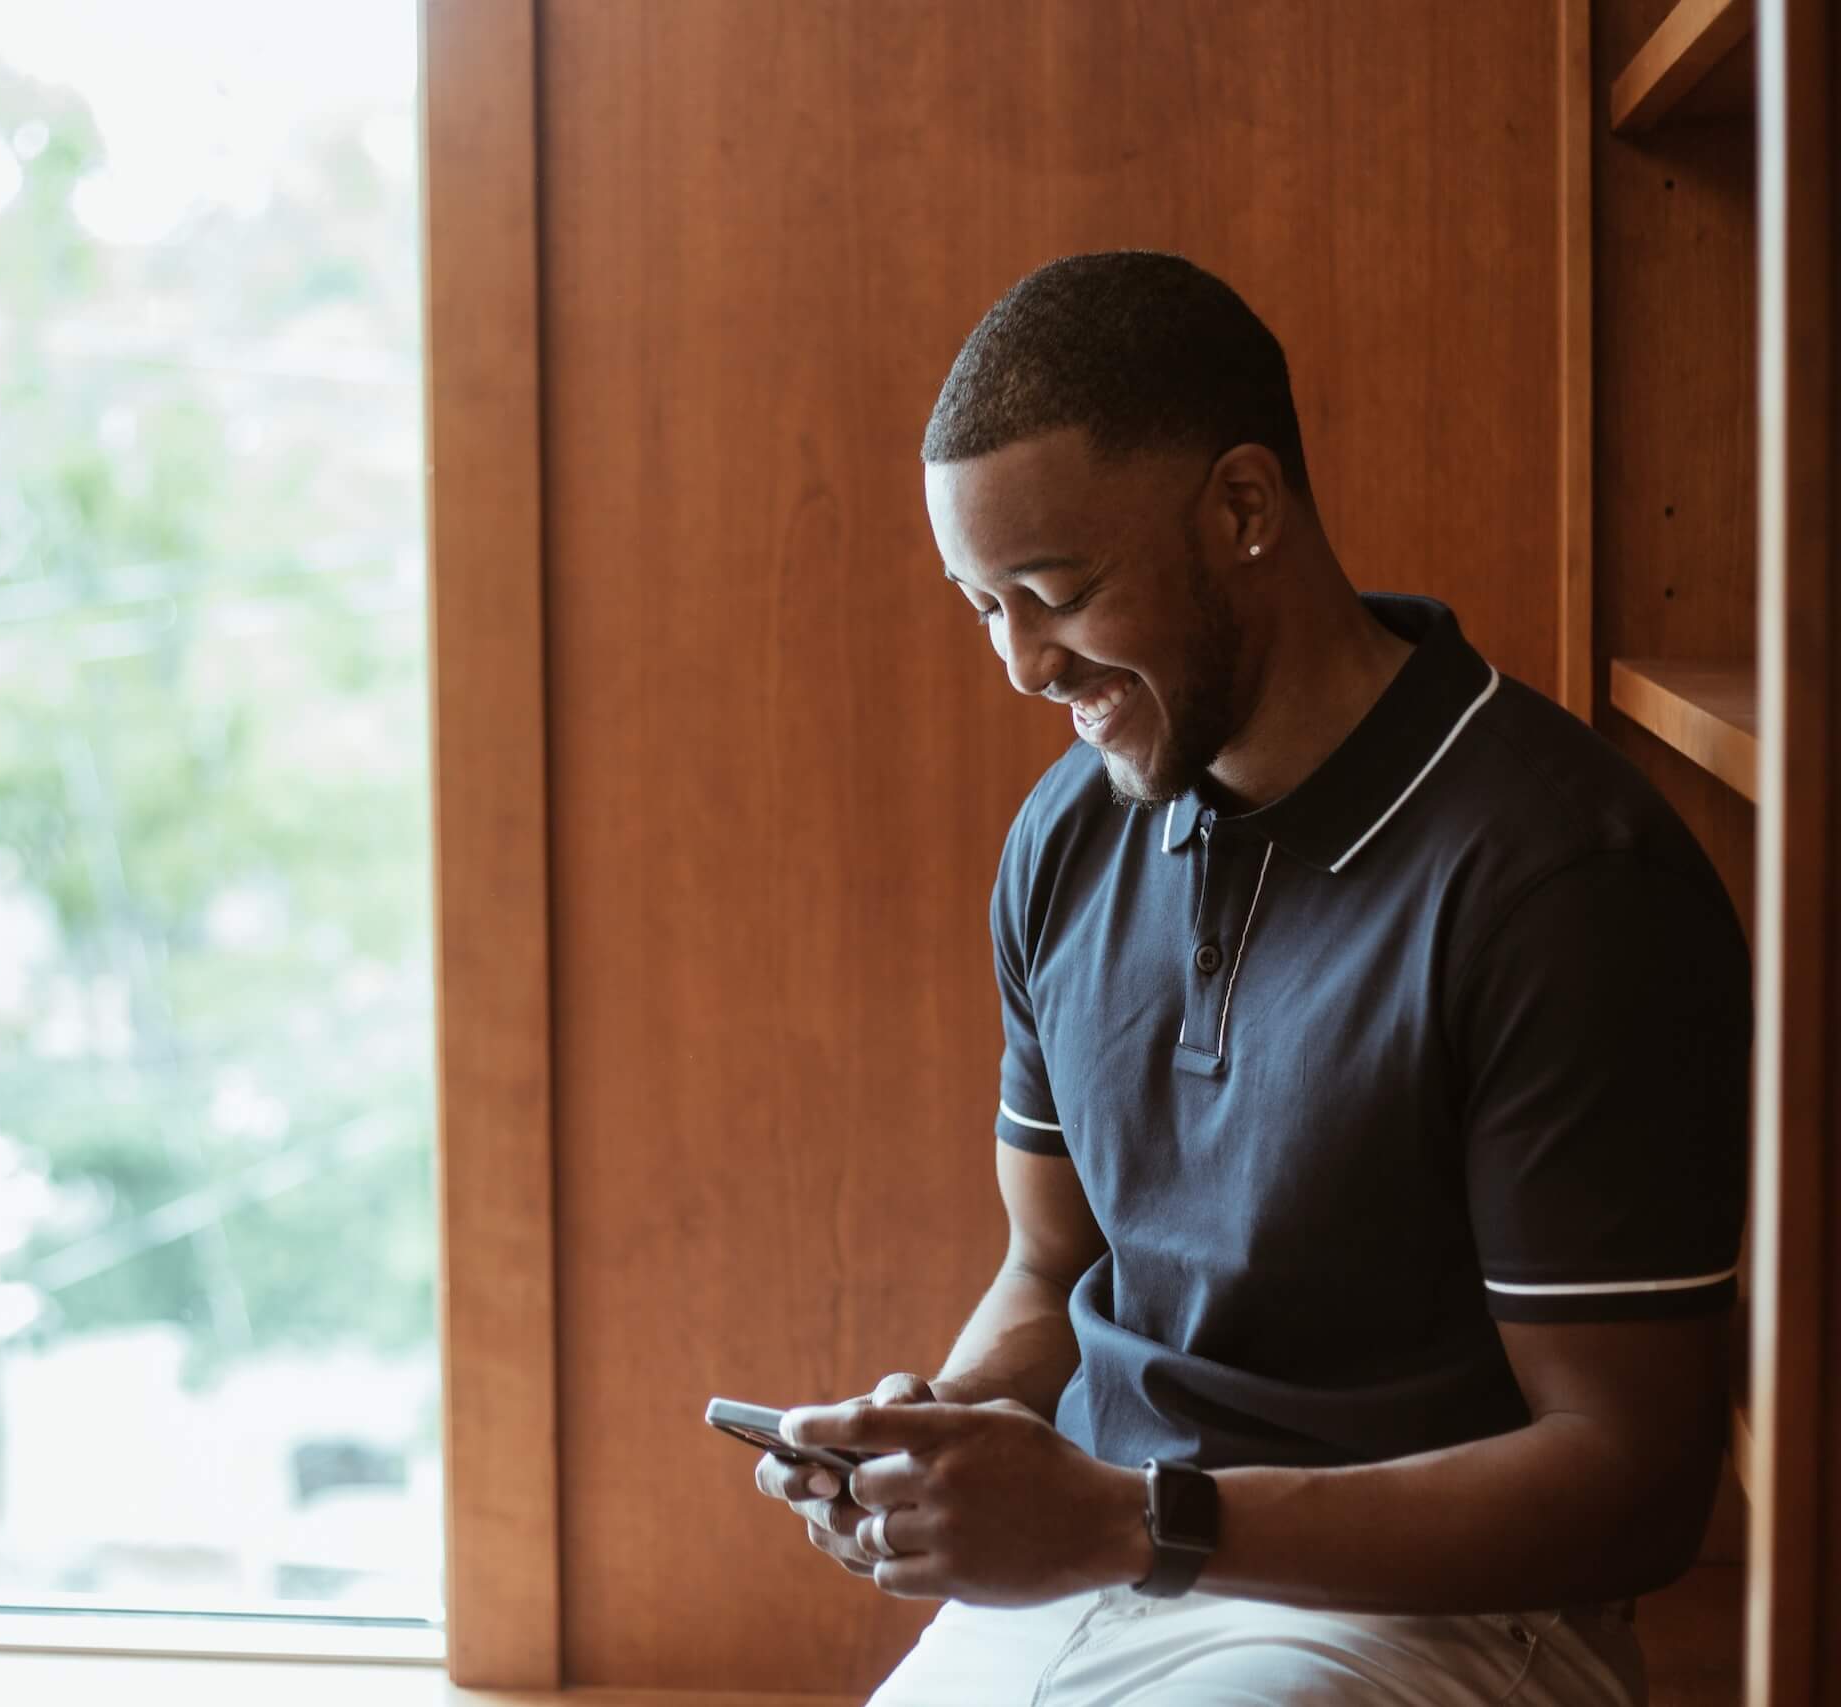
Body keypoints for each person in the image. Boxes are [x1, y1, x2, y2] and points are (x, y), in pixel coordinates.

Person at [749, 251, 1749, 1706]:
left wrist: (1133, 1523)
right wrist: (944, 1440)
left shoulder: (1564, 880)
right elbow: (1052, 1264)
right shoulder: (1068, 831)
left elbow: (1634, 1485)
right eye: (982, 606)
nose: (1023, 664)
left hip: (1443, 1619)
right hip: (1105, 1563)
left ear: (1242, 508)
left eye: (1056, 590)